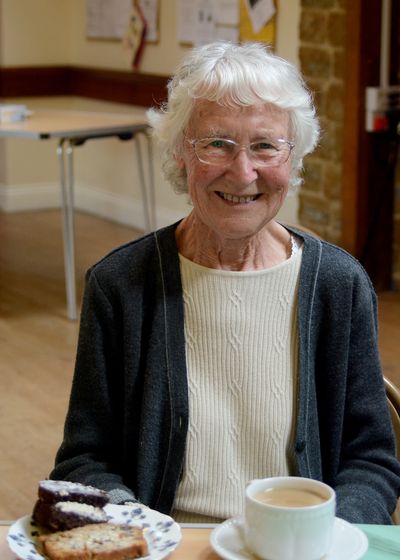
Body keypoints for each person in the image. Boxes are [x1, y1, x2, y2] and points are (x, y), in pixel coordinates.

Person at [50, 41, 400, 524]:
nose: (243, 172)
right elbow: (85, 461)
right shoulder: (120, 285)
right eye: (216, 143)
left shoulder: (339, 285)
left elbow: (371, 463)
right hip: (165, 554)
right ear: (179, 155)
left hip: (301, 557)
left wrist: (326, 539)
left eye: (264, 145)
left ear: (293, 158)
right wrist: (142, 529)